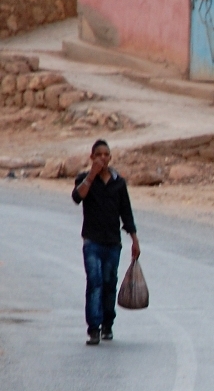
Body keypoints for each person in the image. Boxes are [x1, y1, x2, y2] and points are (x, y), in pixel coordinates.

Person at [72, 139, 141, 345]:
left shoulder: (119, 183)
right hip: (91, 242)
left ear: (110, 158)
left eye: (106, 155)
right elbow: (77, 197)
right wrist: (92, 175)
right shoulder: (84, 179)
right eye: (99, 154)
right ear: (92, 157)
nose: (103, 157)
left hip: (112, 243)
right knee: (94, 282)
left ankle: (107, 324)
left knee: (110, 283)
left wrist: (134, 240)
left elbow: (126, 213)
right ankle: (93, 328)